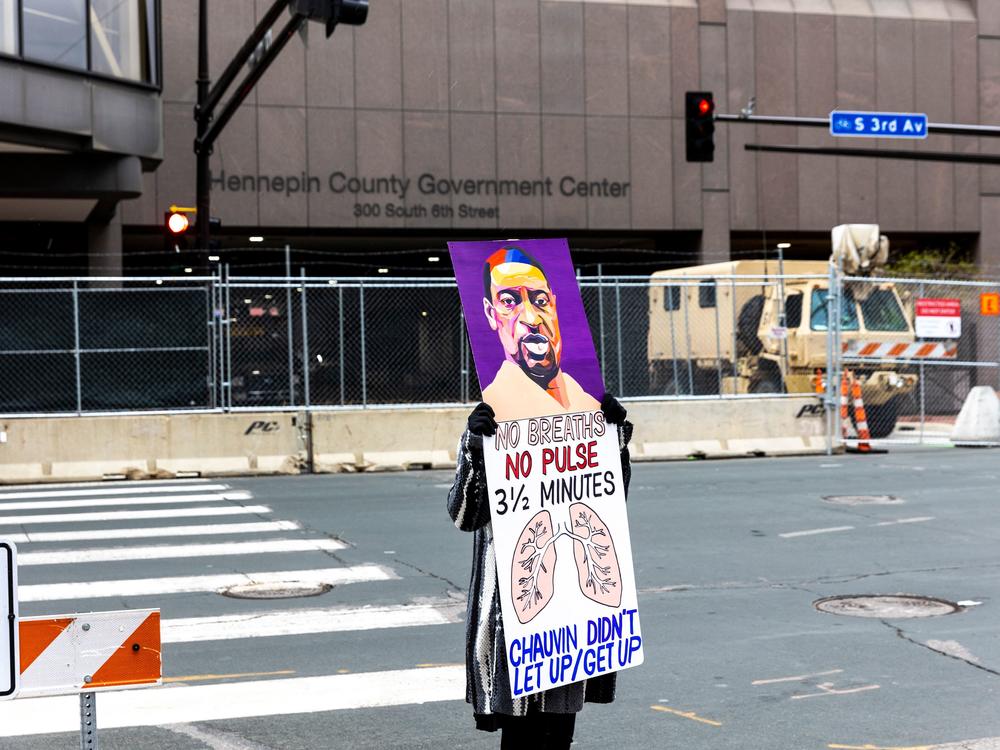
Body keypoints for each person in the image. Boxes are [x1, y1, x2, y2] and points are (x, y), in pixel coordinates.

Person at [447, 394, 632, 749]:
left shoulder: (582, 429)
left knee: (558, 732)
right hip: (511, 616)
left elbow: (611, 503)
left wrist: (613, 439)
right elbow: (463, 516)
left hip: (569, 612)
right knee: (520, 734)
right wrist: (476, 447)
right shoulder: (491, 430)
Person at [480, 247, 600, 421]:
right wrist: (476, 442)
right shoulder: (495, 408)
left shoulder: (585, 399)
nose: (532, 319)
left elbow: (607, 448)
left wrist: (615, 429)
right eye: (509, 301)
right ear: (492, 314)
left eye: (541, 301)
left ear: (553, 305)